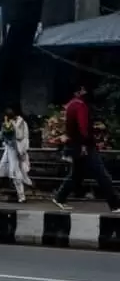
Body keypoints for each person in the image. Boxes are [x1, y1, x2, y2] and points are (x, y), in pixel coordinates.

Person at [53, 85, 120, 213]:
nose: (85, 92)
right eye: (83, 90)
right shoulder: (80, 106)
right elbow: (83, 127)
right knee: (102, 175)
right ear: (78, 92)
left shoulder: (70, 105)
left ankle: (59, 197)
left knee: (76, 175)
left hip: (75, 146)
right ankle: (115, 205)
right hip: (85, 147)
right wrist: (84, 144)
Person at [0, 106, 32, 203]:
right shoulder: (7, 124)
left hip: (16, 150)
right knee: (9, 172)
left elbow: (20, 136)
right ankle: (15, 193)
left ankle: (21, 195)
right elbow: (1, 136)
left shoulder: (21, 123)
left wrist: (13, 127)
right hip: (9, 149)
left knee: (15, 172)